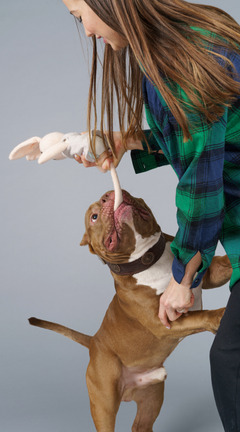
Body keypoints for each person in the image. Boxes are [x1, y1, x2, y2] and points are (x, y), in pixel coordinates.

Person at [62, 1, 240, 430]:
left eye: (79, 13)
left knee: (231, 359)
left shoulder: (175, 73)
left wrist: (183, 278)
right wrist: (130, 141)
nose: (85, 31)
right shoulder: (195, 38)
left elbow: (201, 185)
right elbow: (212, 135)